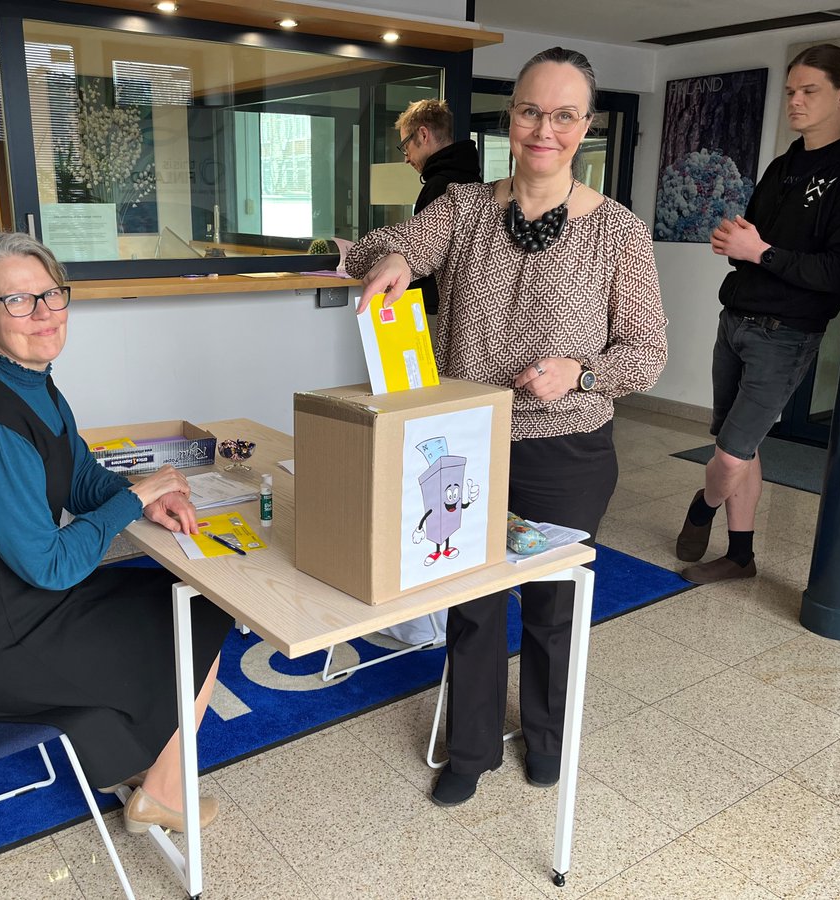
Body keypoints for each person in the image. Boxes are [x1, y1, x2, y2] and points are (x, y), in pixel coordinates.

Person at [347, 48, 667, 806]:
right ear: (511, 118)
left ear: (585, 126)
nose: (544, 128)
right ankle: (470, 751)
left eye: (563, 114)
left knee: (553, 605)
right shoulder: (461, 208)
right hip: (467, 442)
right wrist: (394, 259)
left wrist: (579, 372)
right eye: (530, 111)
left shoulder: (619, 233)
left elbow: (647, 352)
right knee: (471, 600)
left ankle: (549, 740)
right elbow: (373, 251)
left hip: (569, 447)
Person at [0, 232, 234, 834]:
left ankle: (146, 768)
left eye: (51, 295)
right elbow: (51, 565)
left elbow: (78, 478)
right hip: (2, 643)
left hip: (29, 607)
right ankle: (161, 795)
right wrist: (133, 500)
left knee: (186, 602)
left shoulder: (31, 381)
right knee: (192, 618)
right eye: (18, 301)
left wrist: (141, 502)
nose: (43, 313)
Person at [675, 44, 840, 585]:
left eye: (809, 91)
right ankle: (740, 556)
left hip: (786, 333)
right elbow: (759, 238)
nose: (795, 101)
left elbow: (837, 272)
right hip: (737, 318)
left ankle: (703, 506)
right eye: (790, 91)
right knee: (741, 446)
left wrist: (758, 252)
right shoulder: (786, 163)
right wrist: (736, 242)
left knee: (731, 453)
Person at [396, 98, 483, 316]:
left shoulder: (440, 187)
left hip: (436, 308)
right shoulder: (474, 181)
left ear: (423, 135)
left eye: (406, 146)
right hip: (465, 307)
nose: (407, 159)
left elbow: (423, 256)